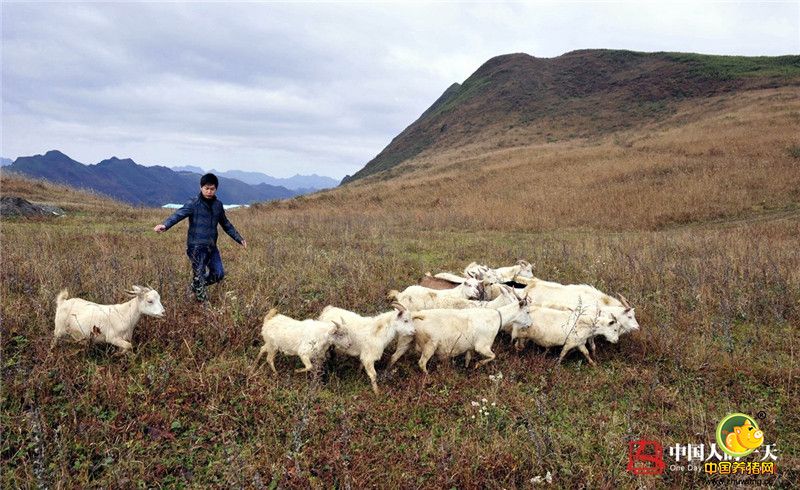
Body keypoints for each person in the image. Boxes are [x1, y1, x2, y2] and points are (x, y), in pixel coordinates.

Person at [153, 173, 247, 302]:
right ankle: (203, 305)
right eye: (206, 188)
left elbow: (226, 224)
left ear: (216, 189)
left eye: (212, 189)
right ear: (201, 188)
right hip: (196, 247)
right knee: (199, 275)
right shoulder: (193, 203)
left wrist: (239, 238)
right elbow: (178, 214)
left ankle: (196, 286)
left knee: (218, 274)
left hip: (211, 246)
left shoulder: (218, 205)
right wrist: (165, 225)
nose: (209, 191)